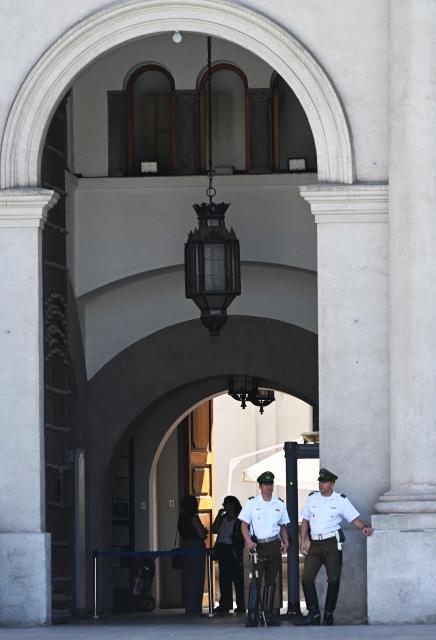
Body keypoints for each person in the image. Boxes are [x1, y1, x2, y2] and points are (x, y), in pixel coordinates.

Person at [295, 468, 374, 626]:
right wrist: (302, 541)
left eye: (324, 482)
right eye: (320, 481)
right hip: (315, 544)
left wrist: (364, 527)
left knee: (333, 579)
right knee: (306, 579)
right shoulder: (312, 499)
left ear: (332, 484)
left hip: (332, 543)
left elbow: (354, 518)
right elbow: (305, 521)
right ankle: (314, 613)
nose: (321, 484)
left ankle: (329, 614)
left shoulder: (340, 500)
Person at [238, 471, 290, 627]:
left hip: (273, 545)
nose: (269, 487)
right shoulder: (252, 503)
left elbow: (282, 526)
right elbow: (244, 525)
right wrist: (248, 542)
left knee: (271, 581)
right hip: (257, 546)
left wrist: (286, 542)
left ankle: (268, 615)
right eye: (265, 484)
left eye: (270, 484)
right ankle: (252, 615)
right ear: (260, 486)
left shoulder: (279, 504)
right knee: (255, 581)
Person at [211, 495, 245, 615]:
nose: (224, 505)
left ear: (232, 505)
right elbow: (214, 530)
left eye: (226, 503)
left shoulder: (240, 519)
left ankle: (241, 605)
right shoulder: (223, 518)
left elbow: (243, 534)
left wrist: (236, 537)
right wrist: (218, 516)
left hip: (233, 550)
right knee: (224, 579)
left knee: (237, 579)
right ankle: (225, 604)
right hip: (222, 549)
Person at [177, 495, 208, 615]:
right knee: (196, 578)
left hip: (185, 546)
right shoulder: (193, 518)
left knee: (187, 578)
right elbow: (201, 534)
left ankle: (189, 607)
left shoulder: (182, 517)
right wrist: (204, 531)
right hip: (195, 547)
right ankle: (195, 608)